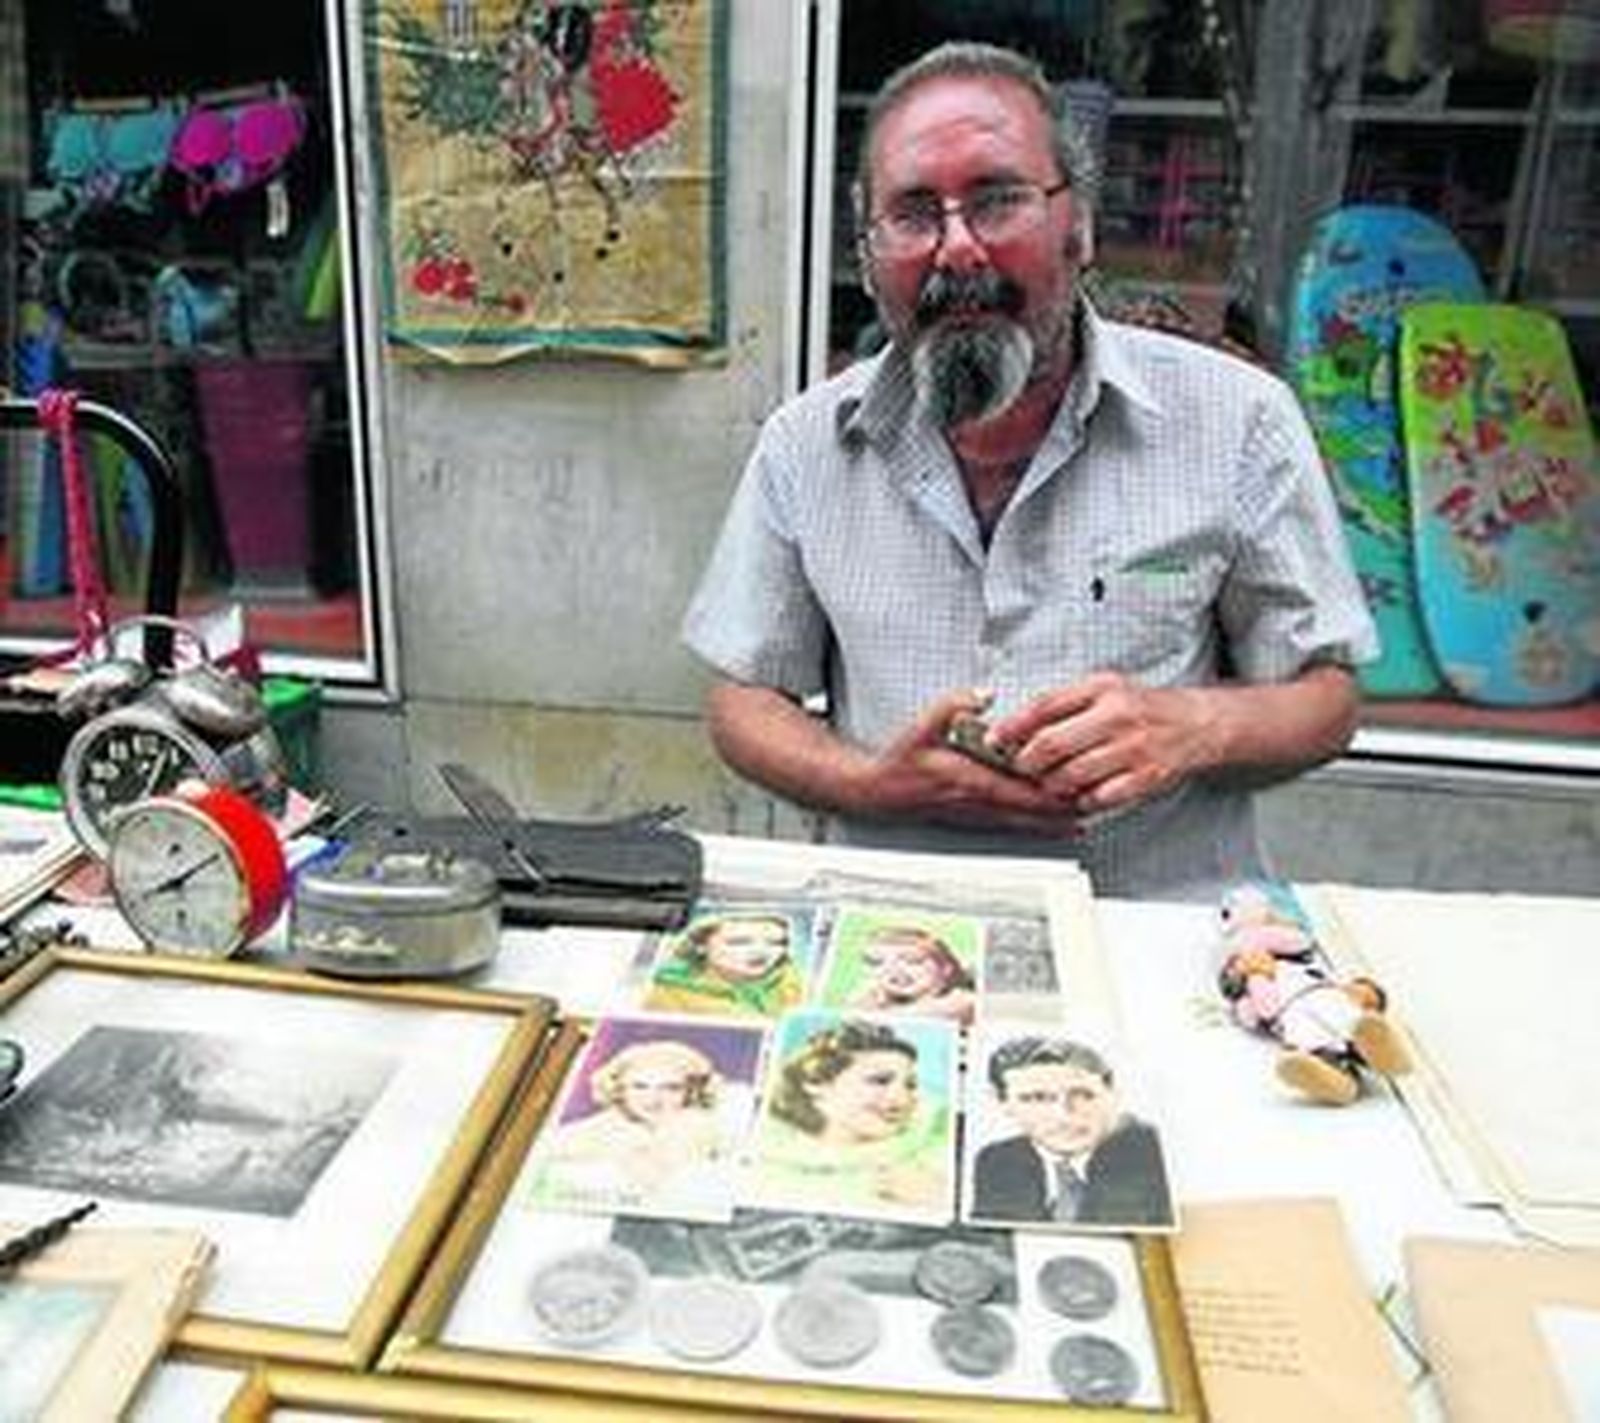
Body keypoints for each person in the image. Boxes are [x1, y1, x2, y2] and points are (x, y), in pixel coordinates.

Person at [682, 41, 1376, 900]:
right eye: (912, 213)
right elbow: (744, 698)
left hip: (1154, 933)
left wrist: (1195, 725)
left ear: (1077, 225)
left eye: (998, 199)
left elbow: (1325, 696)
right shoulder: (806, 444)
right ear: (867, 251)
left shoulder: (1237, 422)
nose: (958, 249)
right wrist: (869, 785)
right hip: (890, 935)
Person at [971, 1035, 1171, 1226]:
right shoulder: (998, 1162)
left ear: (1112, 1094)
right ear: (1002, 1102)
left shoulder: (1154, 1156)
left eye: (1083, 1095)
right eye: (1037, 1098)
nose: (1064, 1115)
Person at [758, 1019, 951, 1215]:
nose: (901, 1099)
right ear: (816, 1083)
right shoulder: (764, 1163)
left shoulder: (936, 1152)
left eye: (910, 1085)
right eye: (880, 1081)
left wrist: (936, 1196)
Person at [533, 1037, 729, 1210]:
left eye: (671, 1088)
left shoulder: (712, 1133)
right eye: (639, 1086)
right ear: (619, 1089)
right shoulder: (577, 1138)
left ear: (692, 1092)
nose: (653, 1099)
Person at [642, 911, 803, 1018]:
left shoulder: (793, 985)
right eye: (739, 942)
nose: (760, 952)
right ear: (701, 946)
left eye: (776, 943)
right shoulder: (669, 991)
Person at [848, 922, 976, 1025]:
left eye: (912, 960)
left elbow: (950, 1009)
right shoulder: (875, 998)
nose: (894, 969)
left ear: (945, 969)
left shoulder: (959, 1000)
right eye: (877, 962)